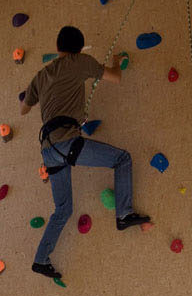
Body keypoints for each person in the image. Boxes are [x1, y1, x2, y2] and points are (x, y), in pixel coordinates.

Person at [19, 24, 150, 280]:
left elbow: (24, 109)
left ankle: (40, 260)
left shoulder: (41, 75)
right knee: (122, 159)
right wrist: (116, 61)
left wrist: (39, 95)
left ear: (58, 47)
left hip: (48, 150)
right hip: (68, 142)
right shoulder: (80, 62)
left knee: (63, 209)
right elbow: (115, 77)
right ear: (79, 49)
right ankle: (123, 214)